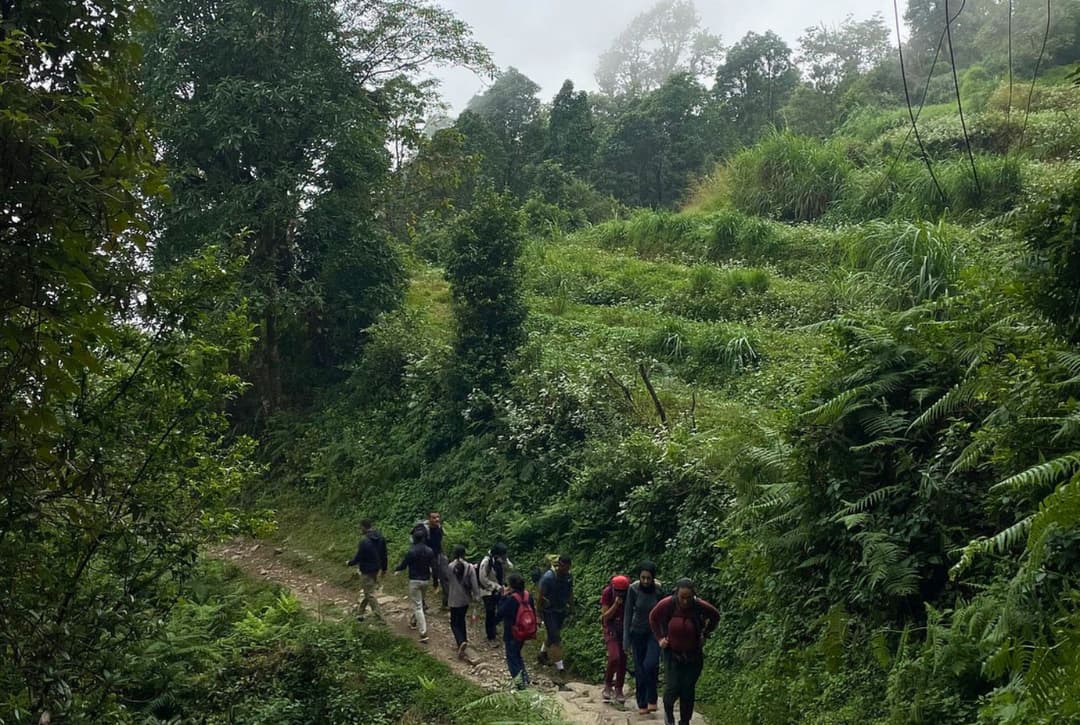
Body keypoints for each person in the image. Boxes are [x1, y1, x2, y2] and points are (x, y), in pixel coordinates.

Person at [648, 578, 720, 725]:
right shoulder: (668, 604)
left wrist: (705, 634)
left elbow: (715, 616)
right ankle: (669, 717)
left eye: (688, 598)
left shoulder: (699, 605)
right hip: (672, 653)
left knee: (687, 690)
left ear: (693, 595)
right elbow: (653, 618)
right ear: (677, 594)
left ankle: (685, 721)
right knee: (672, 687)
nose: (685, 601)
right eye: (682, 598)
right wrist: (660, 638)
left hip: (693, 655)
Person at [623, 560, 663, 715]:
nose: (646, 581)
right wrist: (626, 640)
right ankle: (642, 703)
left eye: (648, 578)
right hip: (637, 632)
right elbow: (627, 614)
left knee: (650, 665)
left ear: (653, 578)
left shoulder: (659, 591)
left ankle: (652, 698)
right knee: (639, 669)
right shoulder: (633, 589)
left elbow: (664, 613)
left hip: (654, 633)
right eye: (643, 578)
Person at [394, 529, 436, 643]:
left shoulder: (411, 551)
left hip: (414, 581)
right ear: (423, 538)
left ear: (414, 539)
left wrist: (396, 568)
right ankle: (413, 621)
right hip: (426, 580)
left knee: (418, 606)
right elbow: (434, 566)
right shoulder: (429, 551)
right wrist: (436, 581)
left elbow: (404, 565)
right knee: (420, 602)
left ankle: (423, 633)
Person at [496, 572, 535, 689]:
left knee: (512, 658)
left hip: (512, 632)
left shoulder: (512, 599)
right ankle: (525, 678)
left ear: (511, 586)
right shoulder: (528, 596)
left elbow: (500, 613)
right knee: (517, 654)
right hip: (525, 631)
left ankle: (520, 684)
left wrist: (502, 597)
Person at [344, 519, 388, 621]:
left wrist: (349, 563)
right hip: (376, 568)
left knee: (369, 594)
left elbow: (358, 557)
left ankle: (380, 618)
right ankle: (360, 612)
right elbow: (384, 555)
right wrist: (384, 568)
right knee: (368, 590)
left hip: (366, 570)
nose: (360, 530)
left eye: (360, 528)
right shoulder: (380, 537)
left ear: (364, 527)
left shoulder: (364, 541)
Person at [443, 544, 481, 658]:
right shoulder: (470, 567)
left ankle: (460, 642)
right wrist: (477, 597)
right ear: (465, 554)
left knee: (454, 622)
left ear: (454, 554)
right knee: (461, 620)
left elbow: (447, 580)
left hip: (454, 598)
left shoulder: (450, 566)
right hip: (465, 599)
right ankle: (464, 640)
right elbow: (474, 585)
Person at [537, 554, 573, 672]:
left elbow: (570, 592)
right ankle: (560, 667)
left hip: (561, 610)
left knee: (553, 634)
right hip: (549, 611)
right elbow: (540, 596)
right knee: (556, 637)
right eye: (565, 567)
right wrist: (538, 614)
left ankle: (542, 653)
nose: (567, 570)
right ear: (560, 565)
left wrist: (571, 607)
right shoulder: (548, 578)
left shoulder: (568, 577)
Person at [600, 574, 630, 704]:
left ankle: (619, 688)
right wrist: (616, 605)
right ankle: (608, 684)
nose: (621, 594)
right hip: (610, 628)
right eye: (618, 591)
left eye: (623, 592)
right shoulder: (607, 593)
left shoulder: (630, 593)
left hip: (624, 629)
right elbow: (605, 616)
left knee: (623, 659)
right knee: (614, 657)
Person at [478, 543, 513, 645]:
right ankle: (490, 635)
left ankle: (494, 627)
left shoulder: (500, 560)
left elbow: (510, 568)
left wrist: (505, 560)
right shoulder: (486, 562)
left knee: (500, 610)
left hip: (499, 590)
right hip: (487, 591)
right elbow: (483, 578)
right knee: (490, 611)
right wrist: (495, 586)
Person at [414, 511, 448, 607]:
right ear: (429, 519)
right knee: (422, 580)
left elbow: (441, 542)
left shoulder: (439, 528)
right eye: (434, 517)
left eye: (438, 517)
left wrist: (443, 554)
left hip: (437, 554)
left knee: (445, 576)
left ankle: (446, 603)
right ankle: (422, 603)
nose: (437, 519)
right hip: (424, 556)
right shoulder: (423, 530)